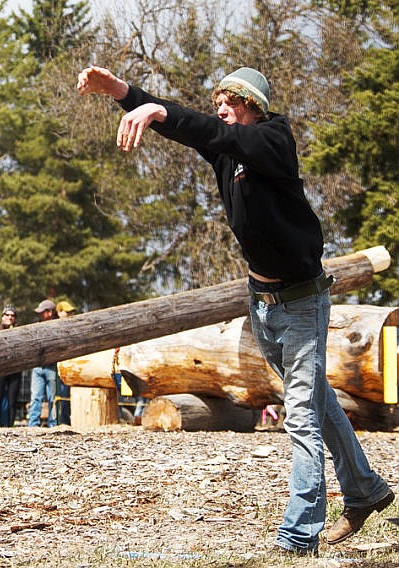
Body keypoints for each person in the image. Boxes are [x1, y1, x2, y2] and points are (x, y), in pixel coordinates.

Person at [77, 64, 394, 556]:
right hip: (263, 304)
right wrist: (122, 92)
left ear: (249, 104)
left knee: (302, 416)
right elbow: (186, 126)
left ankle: (298, 536)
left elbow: (210, 129)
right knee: (319, 401)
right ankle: (366, 490)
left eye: (228, 102)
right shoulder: (228, 150)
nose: (219, 110)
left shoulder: (273, 142)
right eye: (218, 103)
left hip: (302, 302)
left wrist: (163, 109)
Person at [27, 299, 60, 427]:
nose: (39, 315)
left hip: (52, 367)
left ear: (50, 312)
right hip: (37, 367)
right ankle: (33, 424)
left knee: (53, 398)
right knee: (35, 397)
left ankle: (53, 424)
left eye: (42, 312)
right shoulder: (36, 326)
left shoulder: (58, 326)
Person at [0, 305, 22, 427]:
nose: (10, 317)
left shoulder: (20, 330)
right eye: (7, 315)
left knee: (12, 400)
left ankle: (10, 425)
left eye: (12, 315)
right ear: (2, 317)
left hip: (15, 369)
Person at [55, 299, 77, 424]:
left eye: (70, 312)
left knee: (69, 396)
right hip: (60, 367)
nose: (69, 315)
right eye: (66, 312)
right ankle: (62, 422)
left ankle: (68, 421)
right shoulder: (54, 327)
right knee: (61, 396)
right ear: (59, 312)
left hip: (73, 366)